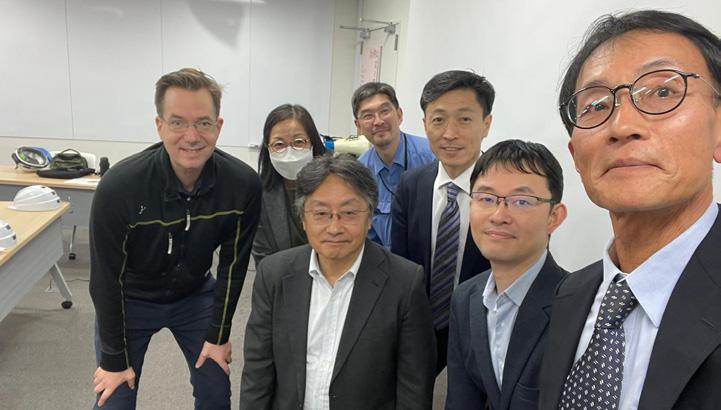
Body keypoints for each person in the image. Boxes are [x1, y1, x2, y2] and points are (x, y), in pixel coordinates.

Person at [538, 10, 721, 410]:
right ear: (576, 155)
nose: (621, 126)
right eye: (595, 105)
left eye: (662, 92)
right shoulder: (571, 295)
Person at [89, 68, 261, 409]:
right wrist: (113, 360)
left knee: (216, 393)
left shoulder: (242, 185)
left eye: (203, 123)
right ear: (160, 126)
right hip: (130, 300)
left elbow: (233, 267)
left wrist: (219, 336)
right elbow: (105, 279)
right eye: (178, 122)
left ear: (218, 126)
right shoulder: (121, 186)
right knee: (114, 399)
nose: (191, 136)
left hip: (194, 297)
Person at [241, 154, 436, 410]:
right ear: (303, 219)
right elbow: (258, 370)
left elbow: (414, 387)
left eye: (349, 213)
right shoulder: (274, 274)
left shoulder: (405, 282)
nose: (334, 228)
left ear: (370, 217)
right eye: (321, 213)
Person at [446, 140, 568, 410]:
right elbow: (461, 400)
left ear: (554, 216)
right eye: (486, 199)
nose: (499, 216)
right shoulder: (465, 298)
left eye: (521, 201)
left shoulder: (576, 305)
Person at [392, 70, 494, 374]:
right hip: (420, 326)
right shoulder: (411, 185)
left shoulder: (505, 190)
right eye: (438, 120)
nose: (450, 133)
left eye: (464, 119)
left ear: (486, 124)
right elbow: (400, 265)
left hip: (484, 329)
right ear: (425, 124)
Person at [353, 82, 435, 248]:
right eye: (368, 116)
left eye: (384, 111)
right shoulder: (360, 172)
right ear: (358, 126)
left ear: (399, 115)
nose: (378, 121)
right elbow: (366, 231)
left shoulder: (432, 156)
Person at [252, 104, 326, 265]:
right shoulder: (259, 194)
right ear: (268, 149)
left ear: (313, 143)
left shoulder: (335, 185)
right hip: (283, 276)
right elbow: (264, 259)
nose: (289, 152)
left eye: (299, 142)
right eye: (279, 144)